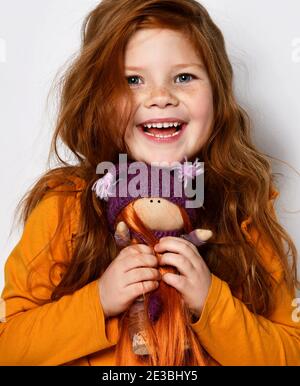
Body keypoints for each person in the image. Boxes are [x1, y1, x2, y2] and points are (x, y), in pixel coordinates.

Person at [0, 0, 299, 366]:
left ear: (219, 94)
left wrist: (212, 303)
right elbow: (8, 347)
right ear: (98, 100)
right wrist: (98, 302)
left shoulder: (243, 210)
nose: (160, 97)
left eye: (184, 77)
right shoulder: (65, 207)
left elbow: (291, 352)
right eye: (133, 80)